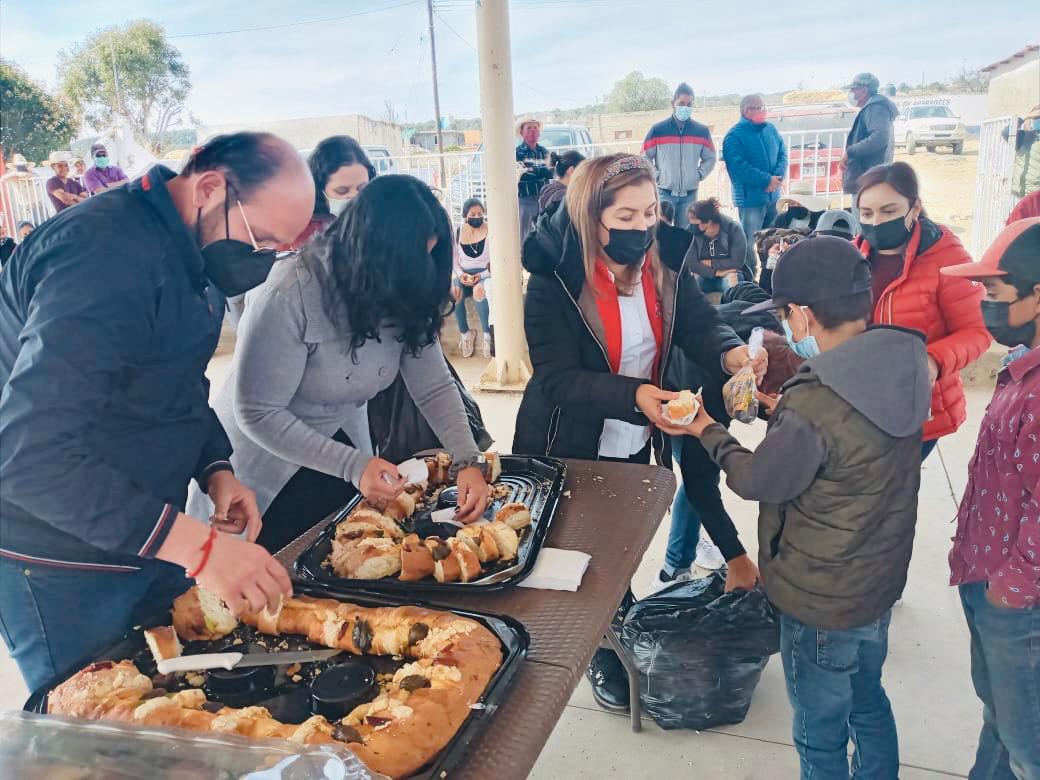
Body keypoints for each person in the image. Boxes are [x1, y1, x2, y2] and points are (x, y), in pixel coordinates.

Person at [0, 132, 314, 691]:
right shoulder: (102, 257)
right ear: (211, 187)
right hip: (61, 559)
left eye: (276, 250)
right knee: (101, 729)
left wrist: (215, 468)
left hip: (151, 528)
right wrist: (203, 549)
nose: (261, 262)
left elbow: (177, 381)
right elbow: (29, 458)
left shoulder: (194, 249)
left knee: (178, 699)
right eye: (260, 239)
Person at [513, 153, 764, 712]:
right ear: (589, 217)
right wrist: (633, 395)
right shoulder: (553, 280)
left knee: (620, 543)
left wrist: (729, 353)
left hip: (637, 430)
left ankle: (619, 623)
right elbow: (554, 378)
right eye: (625, 216)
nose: (642, 227)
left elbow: (698, 322)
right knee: (584, 549)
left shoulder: (663, 265)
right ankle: (603, 648)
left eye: (650, 212)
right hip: (571, 437)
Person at [683, 236, 932, 778]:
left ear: (803, 313)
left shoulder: (815, 398)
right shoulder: (904, 361)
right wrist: (786, 417)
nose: (787, 330)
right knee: (867, 702)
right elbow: (847, 447)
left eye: (785, 316)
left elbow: (757, 480)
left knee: (819, 735)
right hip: (876, 583)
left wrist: (706, 428)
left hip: (820, 602)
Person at [187, 175, 489, 554]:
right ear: (371, 256)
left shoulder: (409, 285)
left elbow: (433, 386)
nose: (419, 276)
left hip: (342, 456)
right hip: (263, 469)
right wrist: (353, 465)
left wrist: (468, 461)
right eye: (412, 263)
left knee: (343, 561)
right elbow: (258, 412)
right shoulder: (291, 291)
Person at [941, 218, 1040, 780]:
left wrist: (1010, 593)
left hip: (1020, 602)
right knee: (999, 719)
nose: (985, 305)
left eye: (997, 293)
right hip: (988, 575)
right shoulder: (1019, 365)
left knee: (1029, 745)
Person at [855, 161, 990, 458]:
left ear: (915, 208)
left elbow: (978, 330)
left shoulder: (945, 255)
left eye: (889, 211)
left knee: (892, 496)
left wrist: (932, 360)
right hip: (861, 405)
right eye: (867, 213)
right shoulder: (852, 255)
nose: (876, 222)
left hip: (918, 411)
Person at [642, 83, 716, 229]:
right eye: (681, 103)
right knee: (661, 236)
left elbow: (711, 157)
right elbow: (644, 157)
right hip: (664, 192)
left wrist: (699, 174)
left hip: (690, 194)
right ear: (673, 104)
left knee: (685, 236)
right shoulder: (658, 130)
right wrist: (657, 175)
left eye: (689, 104)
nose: (685, 107)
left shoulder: (701, 131)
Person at [285, 135, 377, 251]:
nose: (354, 197)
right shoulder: (296, 234)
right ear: (319, 190)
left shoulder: (379, 222)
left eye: (362, 188)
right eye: (342, 191)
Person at [723, 94, 787, 243]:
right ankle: (749, 267)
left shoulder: (771, 129)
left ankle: (769, 267)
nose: (764, 111)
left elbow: (782, 153)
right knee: (749, 244)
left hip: (773, 197)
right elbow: (738, 168)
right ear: (747, 111)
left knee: (773, 242)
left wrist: (776, 178)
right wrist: (766, 181)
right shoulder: (734, 136)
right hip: (750, 201)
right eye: (761, 108)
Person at [840, 73, 898, 195]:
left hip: (868, 179)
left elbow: (880, 137)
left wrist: (850, 151)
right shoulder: (874, 107)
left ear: (864, 90)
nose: (851, 93)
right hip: (869, 177)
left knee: (864, 213)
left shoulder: (875, 108)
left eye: (853, 89)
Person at [453, 197, 492, 359]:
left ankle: (487, 336)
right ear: (465, 215)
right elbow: (454, 259)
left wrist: (480, 276)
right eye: (473, 214)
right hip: (464, 274)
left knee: (479, 292)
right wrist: (461, 275)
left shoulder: (490, 230)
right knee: (454, 292)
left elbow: (494, 263)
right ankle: (465, 334)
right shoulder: (457, 232)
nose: (477, 217)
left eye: (480, 214)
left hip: (484, 273)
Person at [686, 198, 748, 297]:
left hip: (729, 273)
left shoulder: (733, 229)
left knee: (733, 286)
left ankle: (730, 311)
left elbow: (737, 262)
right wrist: (716, 272)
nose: (691, 226)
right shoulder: (691, 231)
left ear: (709, 221)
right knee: (689, 284)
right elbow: (690, 262)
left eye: (696, 223)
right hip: (704, 273)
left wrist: (711, 262)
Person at [516, 118, 552, 238]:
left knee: (545, 232)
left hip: (544, 198)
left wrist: (531, 170)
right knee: (525, 234)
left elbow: (551, 172)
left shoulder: (544, 151)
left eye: (535, 128)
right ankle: (524, 256)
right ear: (522, 133)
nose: (532, 131)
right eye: (529, 128)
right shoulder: (517, 153)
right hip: (526, 199)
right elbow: (523, 175)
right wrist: (541, 170)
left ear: (539, 132)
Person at [538, 149, 585, 217]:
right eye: (583, 172)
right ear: (571, 171)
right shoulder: (562, 196)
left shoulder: (547, 188)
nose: (585, 176)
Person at [1007, 105, 1040, 199]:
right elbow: (1006, 132)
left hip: (1036, 194)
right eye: (1037, 118)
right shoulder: (1023, 136)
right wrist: (1026, 117)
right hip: (1020, 192)